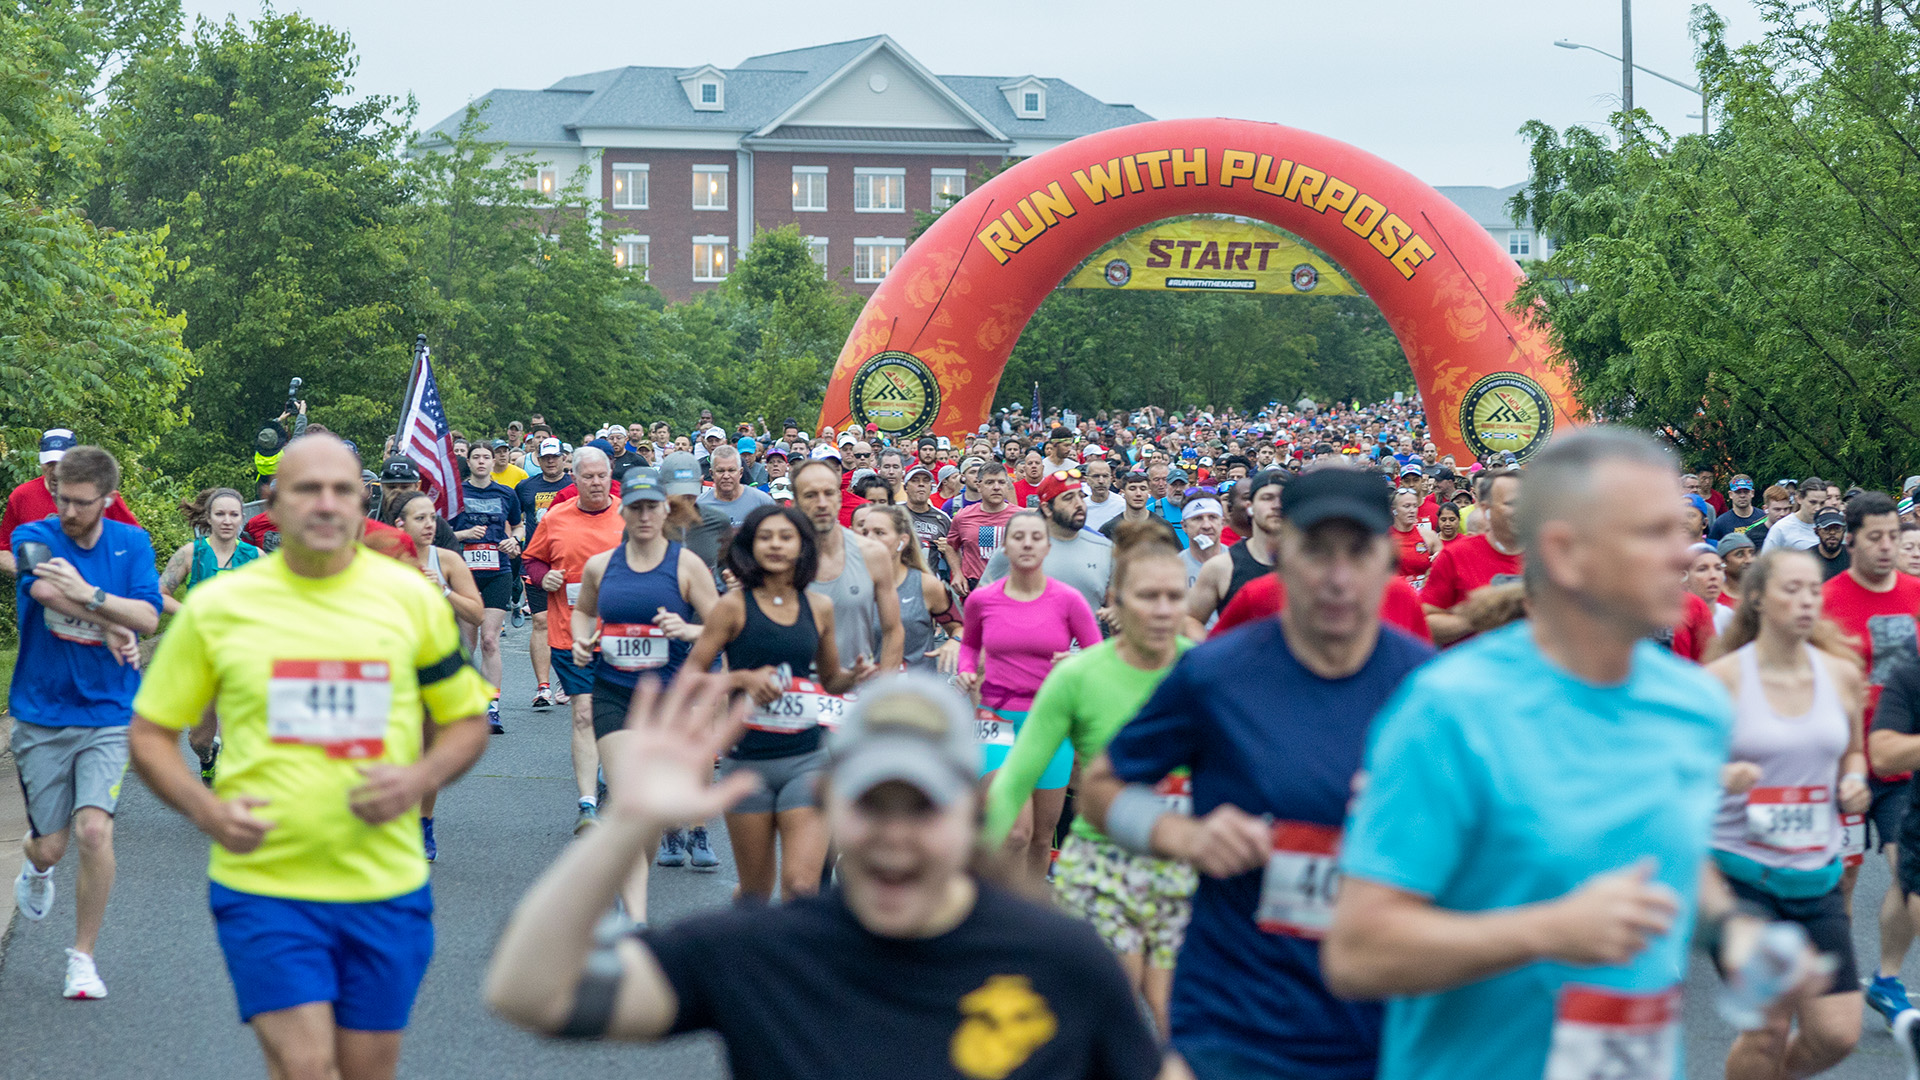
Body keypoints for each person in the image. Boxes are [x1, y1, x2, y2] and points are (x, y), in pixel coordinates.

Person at [1323, 429, 1818, 1080]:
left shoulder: (1691, 706)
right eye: (1652, 534)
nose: (1686, 554)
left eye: (1684, 529)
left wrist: (1732, 931)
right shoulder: (1450, 711)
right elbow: (1358, 953)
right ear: (1564, 552)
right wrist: (1547, 932)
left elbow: (1666, 850)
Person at [483, 672, 1163, 1078]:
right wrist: (628, 823)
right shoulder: (762, 951)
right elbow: (530, 991)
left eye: (921, 807)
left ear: (969, 812)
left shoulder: (1059, 962)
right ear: (834, 803)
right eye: (873, 803)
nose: (895, 837)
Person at [128, 435, 492, 1080]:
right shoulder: (220, 607)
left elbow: (464, 720)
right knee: (305, 1065)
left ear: (363, 502)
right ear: (274, 501)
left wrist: (419, 778)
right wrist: (206, 811)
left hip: (385, 885)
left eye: (342, 490)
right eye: (307, 489)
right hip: (265, 884)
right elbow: (150, 731)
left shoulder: (409, 600)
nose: (325, 504)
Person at [1076, 465, 1431, 1079]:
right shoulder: (1217, 675)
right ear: (1281, 550)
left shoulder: (1429, 693)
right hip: (1235, 1021)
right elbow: (1101, 790)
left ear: (1388, 560)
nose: (1338, 577)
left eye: (1359, 552)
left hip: (1383, 1028)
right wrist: (1182, 837)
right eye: (1317, 551)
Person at [986, 518, 1195, 1035]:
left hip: (1184, 863)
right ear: (1117, 601)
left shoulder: (1206, 670)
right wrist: (969, 871)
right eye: (1149, 596)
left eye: (1175, 596)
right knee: (1114, 1015)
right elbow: (1016, 777)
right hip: (1104, 865)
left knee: (1179, 1020)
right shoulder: (1078, 676)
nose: (1164, 610)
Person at [1704, 548, 1870, 1080]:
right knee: (1768, 1027)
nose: (1806, 601)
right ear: (1755, 598)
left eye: (1814, 591)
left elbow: (1854, 751)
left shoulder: (1842, 675)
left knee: (1837, 1035)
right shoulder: (1723, 680)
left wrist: (1854, 779)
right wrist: (1721, 776)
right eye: (1791, 589)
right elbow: (1679, 772)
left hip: (1815, 876)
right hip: (1741, 878)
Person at [9, 445, 162, 1000]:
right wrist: (111, 622)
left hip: (109, 712)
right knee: (50, 847)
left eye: (80, 502)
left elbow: (148, 616)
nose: (68, 511)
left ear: (107, 499)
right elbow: (46, 590)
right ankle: (36, 867)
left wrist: (95, 597)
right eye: (61, 498)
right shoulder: (36, 535)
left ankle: (82, 959)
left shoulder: (132, 543)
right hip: (42, 711)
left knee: (94, 830)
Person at [682, 505, 874, 903]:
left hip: (806, 758)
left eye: (785, 537)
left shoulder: (818, 607)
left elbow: (831, 679)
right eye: (765, 536)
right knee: (755, 893)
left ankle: (795, 965)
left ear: (802, 546)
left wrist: (855, 675)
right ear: (750, 546)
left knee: (803, 887)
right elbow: (691, 678)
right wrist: (740, 678)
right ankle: (745, 959)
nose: (775, 545)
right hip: (747, 761)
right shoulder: (732, 606)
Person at [571, 467, 721, 906]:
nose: (643, 516)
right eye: (634, 508)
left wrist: (686, 631)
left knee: (649, 811)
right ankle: (634, 916)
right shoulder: (602, 566)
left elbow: (719, 623)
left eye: (651, 507)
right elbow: (583, 611)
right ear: (623, 511)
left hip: (667, 698)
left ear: (664, 510)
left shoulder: (686, 564)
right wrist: (583, 639)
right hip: (613, 692)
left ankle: (634, 881)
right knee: (626, 798)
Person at [1816, 489, 1920, 1023]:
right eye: (1876, 537)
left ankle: (1886, 977)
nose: (1887, 547)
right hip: (1842, 761)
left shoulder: (1917, 593)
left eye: (1894, 537)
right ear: (1851, 540)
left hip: (1902, 762)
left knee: (1912, 877)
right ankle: (1834, 981)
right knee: (1844, 878)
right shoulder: (1826, 602)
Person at [960, 510, 1103, 885]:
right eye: (1017, 537)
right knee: (1013, 833)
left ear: (1047, 546)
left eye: (1034, 537)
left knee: (1041, 837)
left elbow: (1098, 656)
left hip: (1049, 721)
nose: (1026, 544)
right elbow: (969, 644)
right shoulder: (983, 600)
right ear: (1004, 546)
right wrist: (965, 669)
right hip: (995, 718)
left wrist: (1074, 662)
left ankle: (1029, 914)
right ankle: (996, 907)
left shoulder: (1068, 600)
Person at [523, 447, 625, 832]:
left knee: (616, 718)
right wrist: (541, 576)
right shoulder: (555, 517)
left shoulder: (629, 515)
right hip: (570, 631)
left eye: (602, 475)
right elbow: (532, 560)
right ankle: (587, 806)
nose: (596, 482)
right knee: (584, 713)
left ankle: (609, 779)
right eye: (588, 477)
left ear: (609, 474)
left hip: (622, 633)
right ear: (575, 478)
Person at [157, 487, 262, 783]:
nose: (227, 520)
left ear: (242, 518)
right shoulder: (192, 553)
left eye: (233, 514)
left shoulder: (256, 557)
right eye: (220, 514)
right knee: (199, 739)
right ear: (209, 517)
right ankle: (208, 757)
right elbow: (159, 593)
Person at [791, 459, 905, 676]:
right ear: (796, 501)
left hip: (855, 688)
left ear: (840, 497)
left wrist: (880, 691)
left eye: (829, 493)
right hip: (793, 693)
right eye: (811, 495)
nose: (822, 503)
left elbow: (893, 630)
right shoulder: (778, 555)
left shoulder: (872, 554)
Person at [0, 428, 140, 576]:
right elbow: (3, 551)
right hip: (40, 595)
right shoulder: (22, 496)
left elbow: (135, 545)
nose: (55, 471)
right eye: (50, 463)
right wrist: (29, 571)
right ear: (41, 462)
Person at [452, 442, 522, 732]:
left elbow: (519, 525)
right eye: (476, 457)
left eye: (486, 458)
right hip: (464, 572)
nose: (481, 462)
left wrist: (514, 540)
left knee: (490, 640)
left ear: (494, 462)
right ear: (468, 462)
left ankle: (492, 707)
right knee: (466, 643)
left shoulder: (506, 493)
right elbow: (441, 532)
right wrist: (464, 534)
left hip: (498, 570)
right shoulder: (457, 494)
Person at [981, 469, 1114, 615]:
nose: (1079, 504)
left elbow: (1121, 605)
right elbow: (981, 601)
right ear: (1047, 508)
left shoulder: (1104, 548)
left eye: (1081, 497)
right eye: (1068, 498)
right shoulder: (1019, 549)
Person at [1420, 467, 1523, 644]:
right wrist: (1480, 618)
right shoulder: (1456, 555)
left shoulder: (1550, 556)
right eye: (1511, 504)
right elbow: (1425, 622)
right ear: (1486, 509)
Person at [858, 505, 960, 675]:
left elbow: (960, 628)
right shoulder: (849, 584)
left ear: (902, 541)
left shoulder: (926, 585)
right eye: (865, 533)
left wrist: (955, 642)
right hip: (863, 693)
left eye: (880, 533)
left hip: (916, 692)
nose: (870, 539)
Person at [1183, 470, 1284, 636]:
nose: (1276, 505)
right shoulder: (1222, 566)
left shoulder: (1311, 564)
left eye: (1283, 498)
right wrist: (1214, 652)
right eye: (1267, 498)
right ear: (1250, 507)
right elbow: (1190, 619)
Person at [515, 438, 574, 708]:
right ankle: (543, 686)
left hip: (570, 563)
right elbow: (513, 519)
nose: (551, 461)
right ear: (537, 459)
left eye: (555, 457)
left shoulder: (575, 486)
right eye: (546, 457)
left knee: (571, 622)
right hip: (537, 561)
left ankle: (568, 678)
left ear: (563, 458)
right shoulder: (525, 487)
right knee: (540, 622)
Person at [950, 462, 1020, 591]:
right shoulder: (963, 516)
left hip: (1012, 588)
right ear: (979, 486)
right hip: (974, 587)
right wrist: (957, 573)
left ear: (1007, 486)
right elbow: (951, 546)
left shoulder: (1022, 517)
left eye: (1001, 482)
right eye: (990, 482)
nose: (996, 487)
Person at [658, 451, 732, 569]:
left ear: (701, 482)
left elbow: (726, 571)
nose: (684, 499)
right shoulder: (648, 524)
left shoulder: (718, 521)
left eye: (690, 493)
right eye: (678, 492)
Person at [697, 445, 774, 527]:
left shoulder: (762, 502)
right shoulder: (700, 505)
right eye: (720, 471)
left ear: (740, 473)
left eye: (731, 470)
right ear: (711, 473)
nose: (726, 476)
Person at [1764, 476, 1830, 552]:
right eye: (1813, 502)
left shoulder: (1831, 526)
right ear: (1799, 499)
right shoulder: (1781, 528)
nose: (1818, 508)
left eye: (1822, 503)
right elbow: (1765, 561)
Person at [1389, 487, 1440, 586]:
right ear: (1394, 510)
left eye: (1415, 506)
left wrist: (1439, 560)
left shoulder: (1429, 536)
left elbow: (1447, 571)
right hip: (1397, 595)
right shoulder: (1384, 539)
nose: (1412, 510)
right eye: (1407, 506)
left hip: (1422, 597)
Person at [1685, 541, 1734, 634]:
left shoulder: (1729, 617)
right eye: (1702, 569)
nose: (1713, 576)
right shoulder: (1674, 621)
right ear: (1685, 577)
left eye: (1718, 568)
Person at [1097, 470, 1156, 540]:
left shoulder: (1162, 526)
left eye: (1143, 489)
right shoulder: (1109, 529)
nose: (1138, 494)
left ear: (1149, 492)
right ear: (1123, 493)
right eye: (1132, 489)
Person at [1711, 474, 1768, 541]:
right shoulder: (1721, 523)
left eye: (1746, 492)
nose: (1742, 495)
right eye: (1738, 492)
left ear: (1752, 493)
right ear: (1730, 494)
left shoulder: (1763, 518)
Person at [1083, 457, 1124, 532]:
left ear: (1111, 479)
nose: (1101, 481)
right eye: (1096, 476)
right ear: (1087, 480)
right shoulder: (1081, 507)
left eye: (1105, 476)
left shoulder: (1122, 505)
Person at [1812, 507, 1852, 580]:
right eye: (1826, 529)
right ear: (1817, 531)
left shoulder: (1854, 557)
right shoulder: (1808, 558)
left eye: (1837, 528)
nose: (1832, 533)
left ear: (1844, 530)